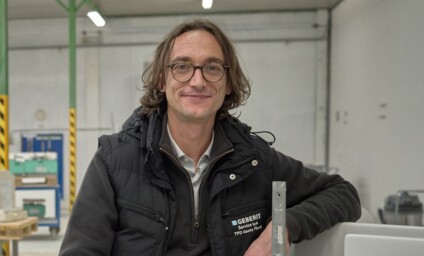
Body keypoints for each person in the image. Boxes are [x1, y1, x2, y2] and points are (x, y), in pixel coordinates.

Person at [59, 19, 361, 256]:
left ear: (228, 83)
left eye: (212, 67)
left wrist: (281, 229)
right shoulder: (114, 161)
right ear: (162, 80)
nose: (198, 80)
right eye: (182, 66)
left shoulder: (255, 162)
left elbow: (343, 193)